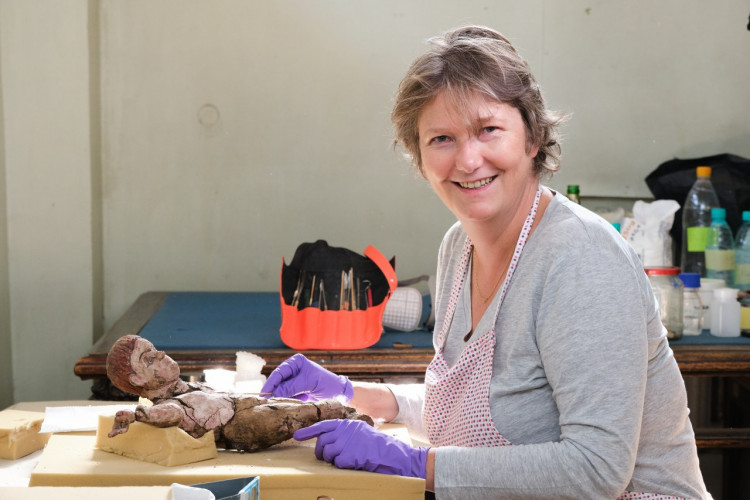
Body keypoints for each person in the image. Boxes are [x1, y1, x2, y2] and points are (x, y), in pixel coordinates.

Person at [261, 25, 710, 499]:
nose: (468, 160)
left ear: (532, 138)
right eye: (441, 139)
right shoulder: (459, 247)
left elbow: (596, 469)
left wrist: (414, 463)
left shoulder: (579, 257)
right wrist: (360, 397)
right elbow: (483, 417)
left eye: (488, 130)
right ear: (419, 157)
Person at [105, 334, 372, 451]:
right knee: (307, 412)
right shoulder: (172, 404)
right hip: (239, 426)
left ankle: (346, 418)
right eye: (149, 358)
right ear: (137, 378)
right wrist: (138, 416)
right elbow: (165, 416)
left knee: (293, 407)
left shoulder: (192, 387)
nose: (161, 354)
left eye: (156, 348)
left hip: (242, 403)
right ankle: (346, 420)